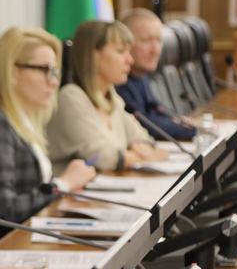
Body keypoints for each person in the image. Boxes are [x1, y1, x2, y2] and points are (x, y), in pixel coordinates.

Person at [0, 26, 97, 224]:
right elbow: (5, 210)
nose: (54, 82)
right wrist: (64, 184)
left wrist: (65, 187)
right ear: (12, 72)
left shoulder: (23, 120)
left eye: (55, 72)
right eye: (46, 70)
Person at [48, 20, 169, 172]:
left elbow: (143, 138)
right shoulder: (71, 98)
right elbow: (103, 158)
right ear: (95, 56)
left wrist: (141, 147)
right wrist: (145, 156)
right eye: (120, 51)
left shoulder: (112, 98)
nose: (130, 60)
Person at [116, 9, 197, 141]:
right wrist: (195, 129)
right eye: (146, 41)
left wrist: (182, 120)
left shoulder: (141, 74)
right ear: (124, 43)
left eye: (159, 40)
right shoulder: (119, 81)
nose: (156, 49)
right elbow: (147, 125)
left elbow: (157, 108)